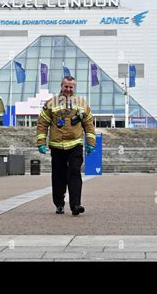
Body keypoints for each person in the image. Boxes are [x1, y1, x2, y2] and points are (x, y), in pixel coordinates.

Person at [37, 76, 96, 216]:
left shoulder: (82, 103)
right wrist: (41, 142)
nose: (68, 89)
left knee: (75, 173)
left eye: (71, 87)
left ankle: (76, 205)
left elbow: (89, 124)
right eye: (66, 86)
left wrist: (90, 143)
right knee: (58, 176)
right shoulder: (51, 103)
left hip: (75, 144)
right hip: (57, 146)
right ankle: (59, 204)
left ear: (74, 88)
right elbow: (42, 123)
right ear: (61, 86)